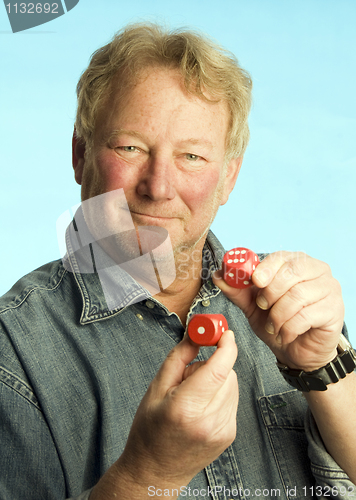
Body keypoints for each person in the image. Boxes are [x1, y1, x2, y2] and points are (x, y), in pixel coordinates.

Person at [0, 22, 355, 500]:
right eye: (130, 148)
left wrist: (323, 368)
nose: (158, 186)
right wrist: (149, 473)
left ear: (229, 177)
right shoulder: (14, 349)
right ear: (80, 155)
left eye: (191, 156)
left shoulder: (290, 304)